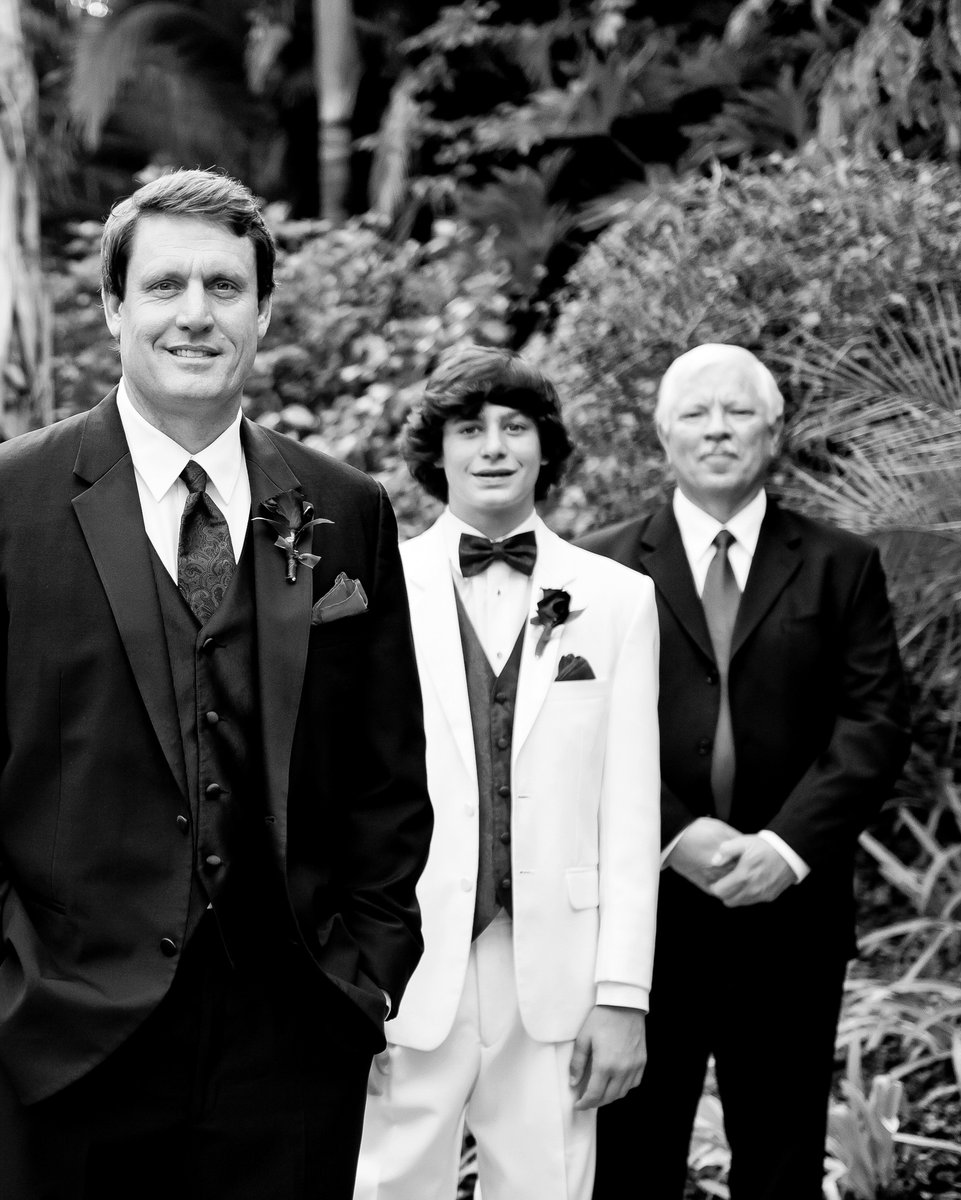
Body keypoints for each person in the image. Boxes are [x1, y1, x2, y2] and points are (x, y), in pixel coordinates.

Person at [0, 168, 433, 1199]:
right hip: (61, 1037)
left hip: (292, 1040)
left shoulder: (346, 508)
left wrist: (369, 971)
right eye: (165, 285)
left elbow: (387, 769)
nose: (195, 314)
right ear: (113, 307)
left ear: (264, 311)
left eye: (224, 287)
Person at [581, 343, 912, 1200]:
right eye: (696, 413)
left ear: (773, 430)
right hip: (645, 918)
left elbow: (875, 722)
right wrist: (672, 835)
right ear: (664, 435)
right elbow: (573, 731)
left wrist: (786, 847)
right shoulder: (600, 566)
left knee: (782, 1159)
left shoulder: (842, 564)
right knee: (630, 1162)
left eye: (738, 412)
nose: (718, 429)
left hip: (791, 918)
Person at [352, 347, 659, 1200]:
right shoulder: (374, 590)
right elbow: (337, 797)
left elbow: (631, 814)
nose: (493, 447)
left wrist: (622, 994)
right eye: (469, 428)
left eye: (515, 427)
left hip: (558, 973)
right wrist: (346, 985)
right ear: (437, 451)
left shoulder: (619, 599)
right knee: (383, 1189)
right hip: (404, 965)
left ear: (544, 448)